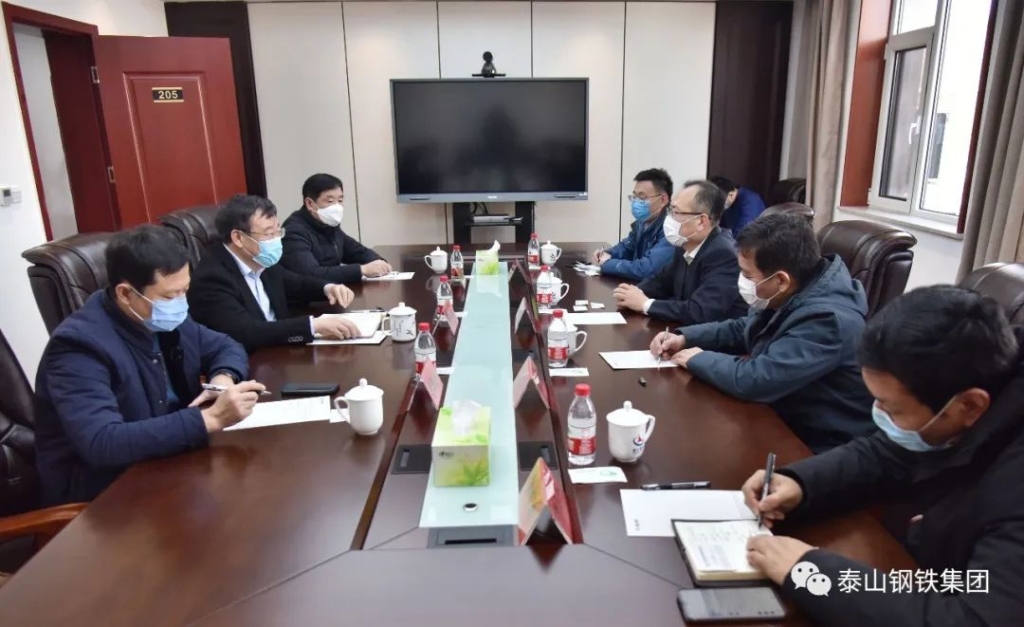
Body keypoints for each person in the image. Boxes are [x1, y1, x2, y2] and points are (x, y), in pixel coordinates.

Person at [743, 286, 1024, 626]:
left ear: (970, 405)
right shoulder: (989, 375)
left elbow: (974, 620)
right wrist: (800, 484)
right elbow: (888, 454)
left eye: (893, 410)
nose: (878, 415)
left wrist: (810, 574)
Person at [34, 225, 262, 505]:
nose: (180, 303)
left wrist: (223, 379)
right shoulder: (78, 346)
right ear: (125, 294)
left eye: (185, 291)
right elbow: (102, 442)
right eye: (169, 296)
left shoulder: (162, 317)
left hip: (170, 460)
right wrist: (210, 419)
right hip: (108, 494)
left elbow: (226, 346)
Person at [651, 213, 875, 452]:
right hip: (780, 415)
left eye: (748, 275)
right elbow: (744, 328)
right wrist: (686, 337)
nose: (741, 282)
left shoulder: (827, 321)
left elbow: (757, 379)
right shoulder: (795, 290)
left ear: (781, 280)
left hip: (818, 444)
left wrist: (698, 358)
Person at [188, 194, 360, 352]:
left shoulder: (259, 259)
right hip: (251, 362)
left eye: (278, 231)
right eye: (269, 233)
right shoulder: (212, 278)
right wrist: (313, 325)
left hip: (278, 352)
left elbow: (294, 283)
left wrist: (328, 288)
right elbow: (245, 332)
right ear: (238, 238)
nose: (277, 239)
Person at [613, 180, 747, 324]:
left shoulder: (724, 254)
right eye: (670, 210)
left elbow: (699, 311)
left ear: (701, 221)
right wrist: (632, 293)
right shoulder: (684, 243)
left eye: (675, 212)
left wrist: (645, 304)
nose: (669, 218)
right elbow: (661, 281)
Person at [281, 173, 392, 283]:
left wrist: (378, 262)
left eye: (340, 200)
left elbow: (356, 251)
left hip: (332, 290)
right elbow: (310, 274)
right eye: (330, 201)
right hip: (309, 294)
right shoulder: (293, 231)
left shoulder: (328, 225)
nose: (337, 207)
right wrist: (362, 270)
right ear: (310, 204)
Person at [592, 168, 675, 282]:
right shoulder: (643, 222)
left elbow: (646, 269)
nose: (635, 202)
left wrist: (607, 263)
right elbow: (627, 247)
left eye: (642, 197)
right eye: (634, 197)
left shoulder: (671, 231)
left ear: (663, 200)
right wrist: (607, 253)